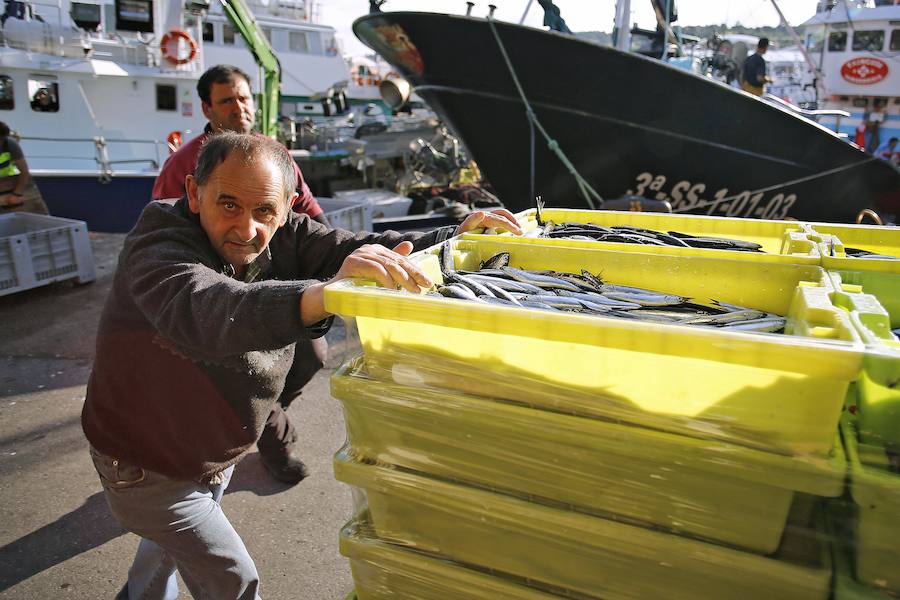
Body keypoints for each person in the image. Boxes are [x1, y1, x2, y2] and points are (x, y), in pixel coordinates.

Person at [83, 132, 521, 600]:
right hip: (144, 462)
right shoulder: (158, 237)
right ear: (192, 192)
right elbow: (202, 308)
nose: (247, 229)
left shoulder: (291, 232)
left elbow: (363, 248)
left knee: (167, 550)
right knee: (233, 577)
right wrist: (321, 295)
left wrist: (452, 238)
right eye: (227, 205)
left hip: (212, 449)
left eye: (264, 211)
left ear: (288, 205)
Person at [153, 65, 326, 485]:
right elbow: (167, 237)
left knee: (313, 357)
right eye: (228, 100)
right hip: (224, 297)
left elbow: (311, 217)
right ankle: (274, 443)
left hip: (280, 286)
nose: (240, 107)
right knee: (248, 371)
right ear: (207, 107)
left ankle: (260, 412)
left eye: (245, 98)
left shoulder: (274, 156)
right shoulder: (182, 166)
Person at [0, 121, 49, 213]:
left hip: (11, 183)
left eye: (2, 139)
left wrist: (17, 194)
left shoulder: (10, 144)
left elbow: (24, 171)